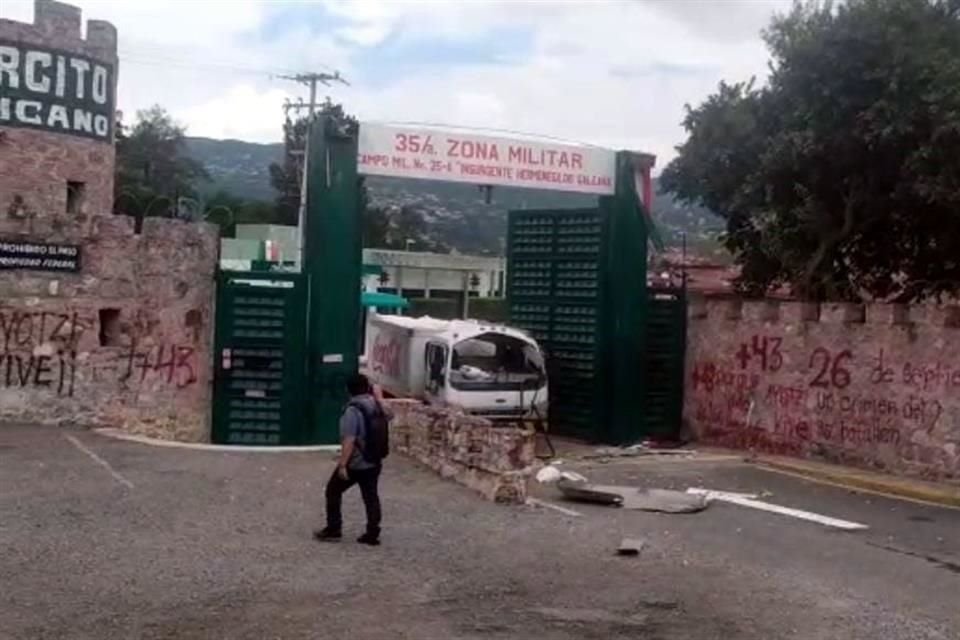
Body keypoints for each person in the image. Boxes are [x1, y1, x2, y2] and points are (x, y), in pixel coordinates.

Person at [314, 373, 389, 546]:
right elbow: (390, 415)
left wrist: (342, 465)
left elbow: (349, 439)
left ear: (348, 390)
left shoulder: (352, 409)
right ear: (367, 388)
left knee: (333, 491)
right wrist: (380, 397)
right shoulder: (376, 404)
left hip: (357, 462)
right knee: (371, 497)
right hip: (374, 459)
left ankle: (334, 529)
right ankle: (372, 533)